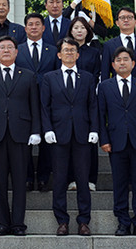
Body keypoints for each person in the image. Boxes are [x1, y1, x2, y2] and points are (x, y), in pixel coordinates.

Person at [0, 36, 41, 236]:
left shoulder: (28, 75)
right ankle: (2, 223)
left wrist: (36, 130)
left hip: (21, 133)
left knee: (20, 181)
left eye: (9, 47)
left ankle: (18, 224)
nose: (5, 50)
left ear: (16, 52)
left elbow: (35, 106)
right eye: (1, 47)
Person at [41, 38, 98, 236]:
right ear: (59, 55)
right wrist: (47, 129)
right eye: (66, 50)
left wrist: (94, 129)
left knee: (83, 179)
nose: (69, 53)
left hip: (82, 134)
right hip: (58, 135)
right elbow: (44, 106)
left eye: (72, 50)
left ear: (78, 54)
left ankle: (84, 221)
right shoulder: (49, 78)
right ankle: (62, 221)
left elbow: (93, 105)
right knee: (59, 179)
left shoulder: (87, 77)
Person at [99, 47, 136, 237]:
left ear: (133, 64)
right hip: (116, 143)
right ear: (112, 64)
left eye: (125, 59)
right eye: (118, 60)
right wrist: (104, 140)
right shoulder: (105, 87)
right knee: (120, 184)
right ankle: (123, 222)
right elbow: (101, 116)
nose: (122, 63)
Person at [15, 13, 53, 192]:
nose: (34, 27)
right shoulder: (17, 50)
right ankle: (28, 178)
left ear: (43, 28)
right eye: (30, 24)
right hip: (23, 100)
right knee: (24, 141)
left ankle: (44, 178)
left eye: (37, 24)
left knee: (46, 141)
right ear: (25, 28)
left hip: (47, 101)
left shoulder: (53, 50)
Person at [64, 17, 101, 192]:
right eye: (76, 28)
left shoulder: (94, 52)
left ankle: (90, 179)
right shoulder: (65, 50)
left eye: (82, 28)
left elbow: (97, 74)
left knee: (89, 141)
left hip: (88, 99)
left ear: (88, 31)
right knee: (70, 140)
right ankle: (72, 179)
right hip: (68, 100)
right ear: (71, 31)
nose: (79, 31)